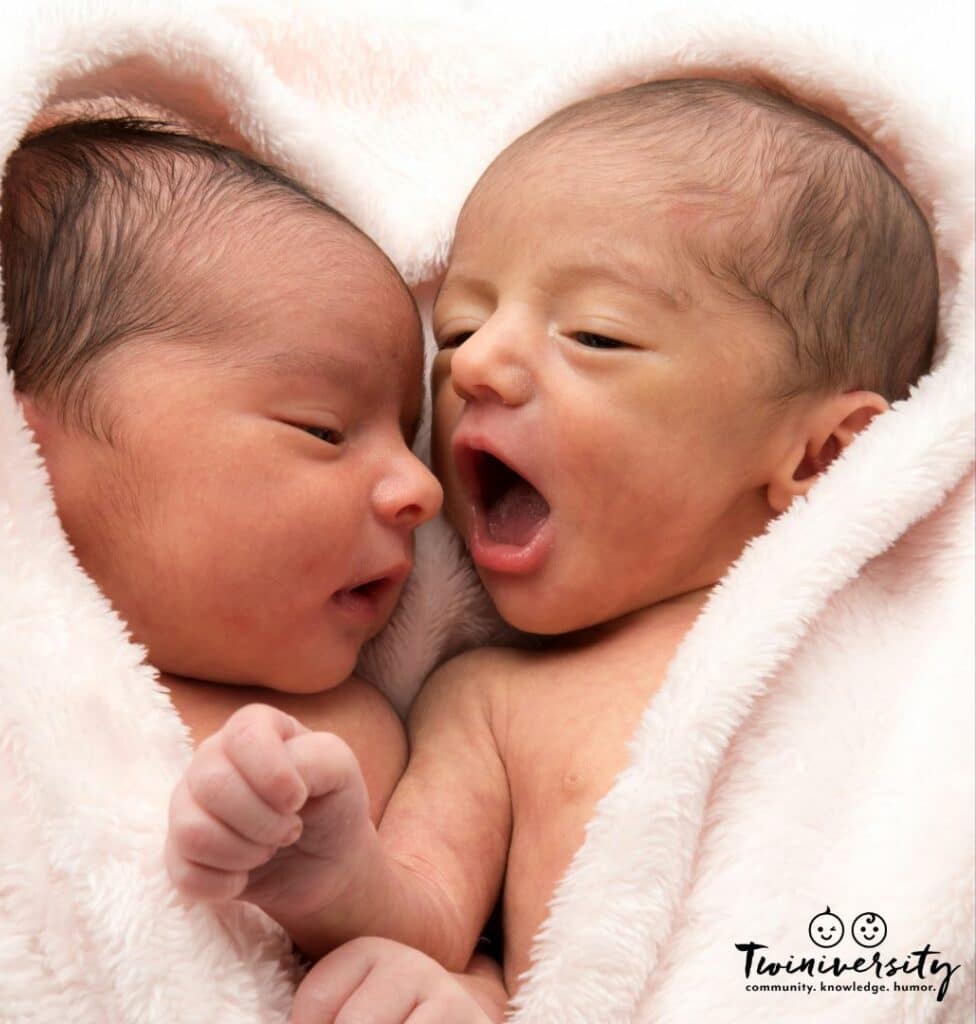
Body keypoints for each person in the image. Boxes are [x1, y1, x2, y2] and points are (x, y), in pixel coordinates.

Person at [165, 79, 939, 1022]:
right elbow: (434, 922)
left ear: (822, 452)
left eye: (595, 334)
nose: (476, 363)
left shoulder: (916, 634)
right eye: (457, 329)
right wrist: (327, 867)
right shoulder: (490, 703)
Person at [0, 116, 443, 830]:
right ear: (25, 454)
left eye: (408, 436)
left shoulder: (328, 750)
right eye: (323, 431)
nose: (424, 488)